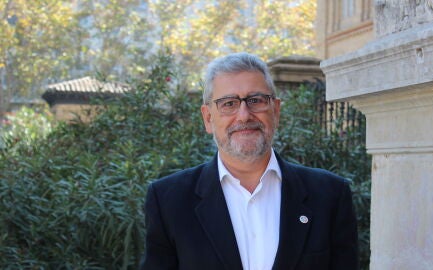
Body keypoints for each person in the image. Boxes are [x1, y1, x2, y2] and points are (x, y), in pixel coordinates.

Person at [140, 52, 358, 270]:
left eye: (255, 100)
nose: (244, 115)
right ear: (208, 118)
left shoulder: (329, 195)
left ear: (276, 111)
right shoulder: (169, 201)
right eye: (228, 103)